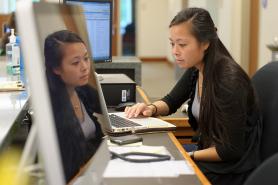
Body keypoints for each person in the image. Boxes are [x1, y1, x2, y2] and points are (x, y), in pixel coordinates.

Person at [125, 8, 262, 185]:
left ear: (205, 43)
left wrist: (188, 155)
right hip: (206, 151)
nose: (175, 51)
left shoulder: (228, 81)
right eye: (172, 44)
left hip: (229, 169)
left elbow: (230, 150)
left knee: (157, 176)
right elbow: (171, 101)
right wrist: (150, 108)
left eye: (182, 45)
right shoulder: (197, 67)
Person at [44, 30, 103, 182]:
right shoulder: (53, 109)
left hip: (94, 169)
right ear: (56, 68)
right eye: (76, 62)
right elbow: (71, 166)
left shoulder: (79, 88)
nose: (84, 67)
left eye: (86, 59)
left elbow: (105, 104)